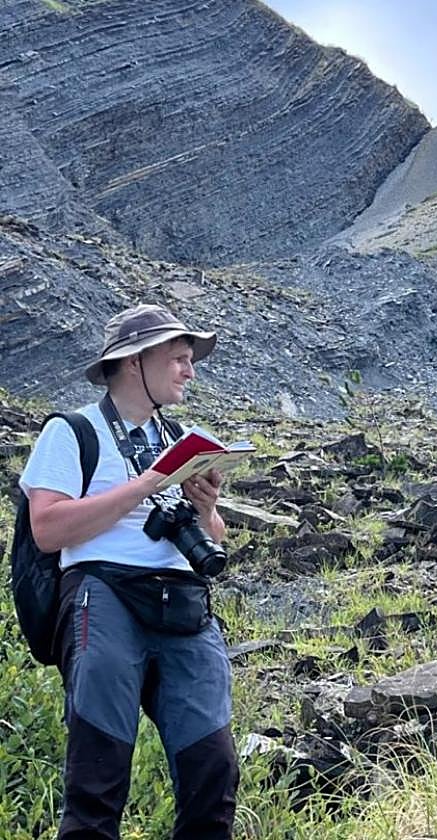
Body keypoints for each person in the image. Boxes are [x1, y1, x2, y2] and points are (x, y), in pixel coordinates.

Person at [19, 303, 238, 839]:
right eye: (180, 359)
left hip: (183, 602)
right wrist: (146, 484)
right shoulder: (73, 433)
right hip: (103, 594)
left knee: (214, 769)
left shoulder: (186, 437)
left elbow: (215, 538)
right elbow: (47, 528)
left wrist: (206, 507)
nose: (190, 370)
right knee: (99, 774)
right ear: (136, 361)